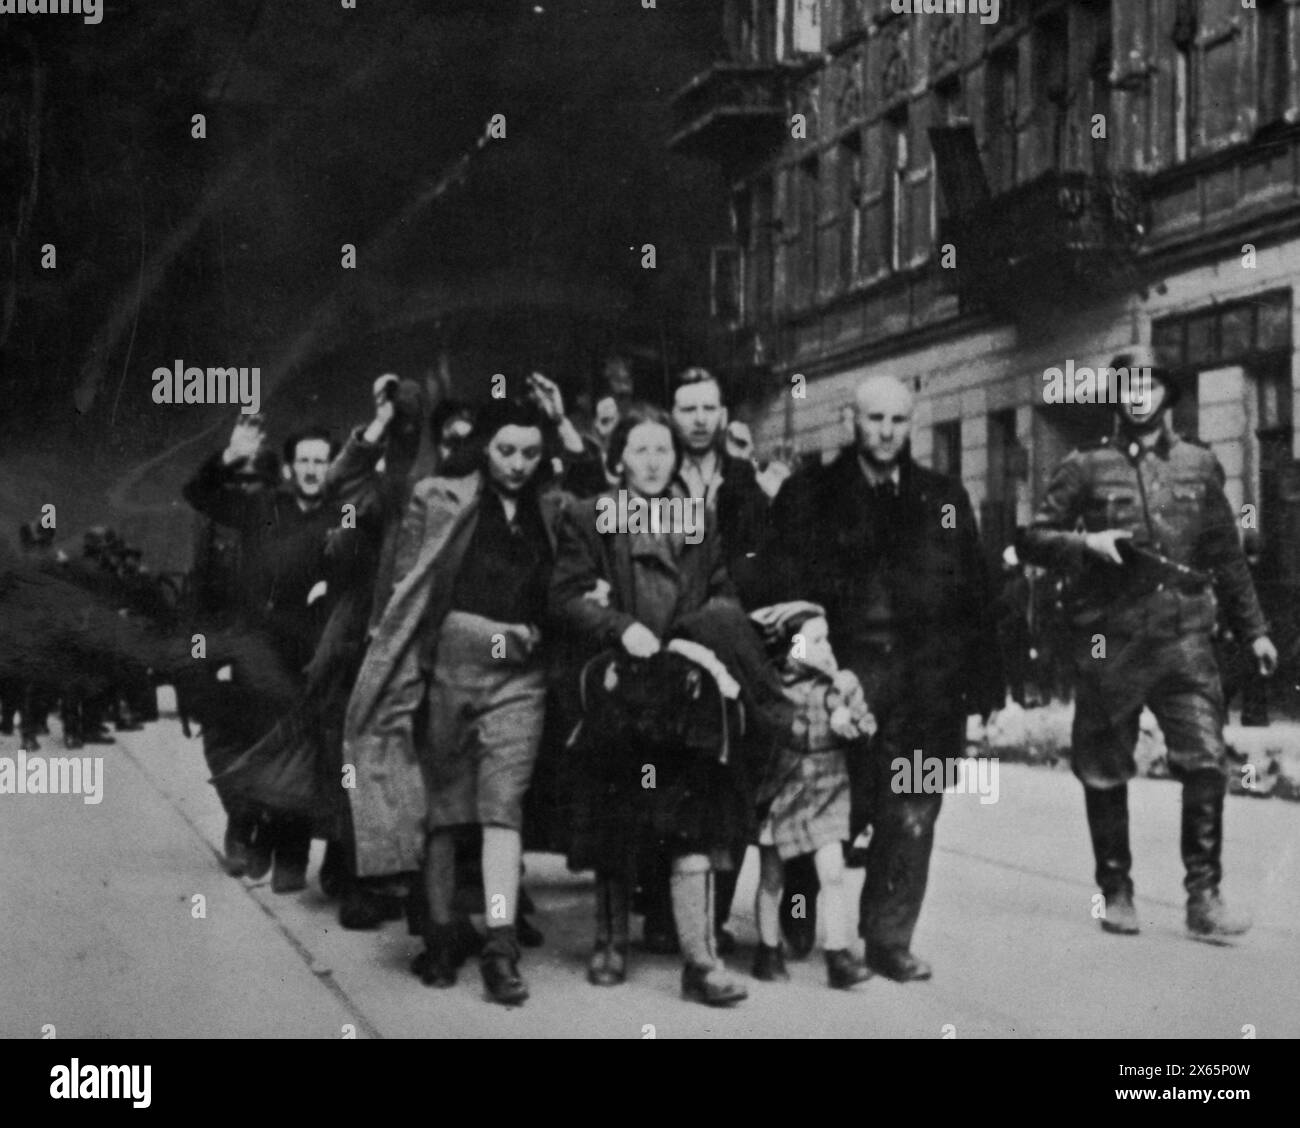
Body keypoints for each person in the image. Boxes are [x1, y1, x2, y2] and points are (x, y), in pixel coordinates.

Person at [1019, 346, 1277, 943]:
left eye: (1148, 384)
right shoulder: (1087, 466)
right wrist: (1087, 545)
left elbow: (1226, 557)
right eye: (1127, 385)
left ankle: (1204, 897)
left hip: (1185, 638)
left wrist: (1256, 630)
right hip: (1111, 640)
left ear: (1165, 392)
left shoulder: (1199, 464)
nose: (1137, 394)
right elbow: (1032, 537)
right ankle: (1115, 890)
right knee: (1105, 769)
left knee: (1207, 761)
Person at [752, 374, 1003, 981]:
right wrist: (797, 674)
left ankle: (888, 938)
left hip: (928, 686)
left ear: (910, 424)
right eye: (875, 419)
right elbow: (778, 593)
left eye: (898, 420)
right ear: (849, 421)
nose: (887, 432)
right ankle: (798, 907)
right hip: (836, 681)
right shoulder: (808, 494)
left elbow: (977, 592)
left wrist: (987, 685)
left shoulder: (943, 496)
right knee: (824, 801)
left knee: (913, 809)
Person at [344, 395, 571, 1006]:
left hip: (519, 674)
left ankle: (500, 944)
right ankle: (441, 936)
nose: (519, 464)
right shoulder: (435, 496)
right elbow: (404, 588)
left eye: (530, 451)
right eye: (505, 450)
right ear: (484, 448)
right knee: (443, 812)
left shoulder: (555, 507)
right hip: (448, 668)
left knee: (503, 810)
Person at [550, 403, 752, 1006]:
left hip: (682, 682)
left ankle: (700, 960)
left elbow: (720, 590)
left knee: (694, 816)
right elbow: (563, 596)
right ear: (617, 460)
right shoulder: (590, 517)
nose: (654, 460)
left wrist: (698, 634)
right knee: (617, 811)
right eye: (640, 450)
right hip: (620, 683)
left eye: (663, 449)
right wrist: (616, 625)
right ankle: (610, 943)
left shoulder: (696, 518)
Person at [183, 417, 340, 892]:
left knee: (299, 752)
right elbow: (200, 494)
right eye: (305, 461)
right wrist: (231, 454)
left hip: (311, 651)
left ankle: (291, 851)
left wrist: (329, 586)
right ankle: (256, 835)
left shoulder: (341, 513)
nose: (313, 469)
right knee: (259, 746)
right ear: (291, 468)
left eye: (321, 461)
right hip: (258, 646)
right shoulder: (264, 506)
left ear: (331, 467)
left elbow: (358, 556)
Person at [749, 602, 875, 989]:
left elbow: (868, 722)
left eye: (827, 639)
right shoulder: (774, 687)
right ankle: (767, 950)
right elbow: (762, 733)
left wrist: (854, 723)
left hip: (828, 787)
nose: (826, 647)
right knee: (772, 876)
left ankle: (838, 955)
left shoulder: (844, 683)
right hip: (783, 787)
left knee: (833, 872)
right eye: (815, 640)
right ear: (791, 648)